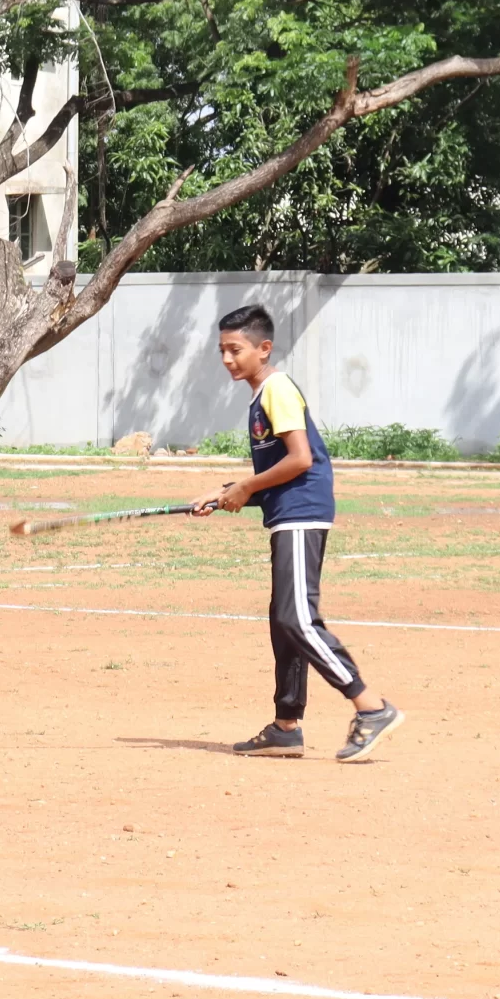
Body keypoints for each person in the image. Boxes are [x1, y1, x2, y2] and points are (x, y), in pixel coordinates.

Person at [191, 304, 404, 762]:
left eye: (236, 349)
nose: (227, 359)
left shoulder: (277, 389)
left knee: (297, 619)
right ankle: (286, 726)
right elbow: (276, 469)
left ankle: (371, 708)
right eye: (222, 350)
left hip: (302, 513)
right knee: (283, 622)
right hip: (288, 512)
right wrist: (230, 491)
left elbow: (300, 459)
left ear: (263, 348)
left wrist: (245, 486)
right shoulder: (259, 396)